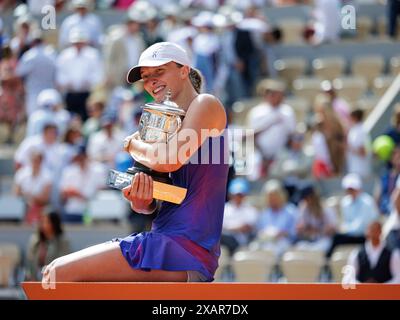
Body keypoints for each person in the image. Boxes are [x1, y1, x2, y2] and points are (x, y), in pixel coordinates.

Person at [42, 42, 228, 283]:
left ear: (184, 70)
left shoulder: (206, 103)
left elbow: (169, 161)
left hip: (184, 249)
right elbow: (155, 201)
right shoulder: (161, 122)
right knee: (54, 273)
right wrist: (142, 200)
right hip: (166, 242)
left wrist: (132, 144)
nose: (151, 81)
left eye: (159, 72)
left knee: (58, 274)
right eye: (146, 77)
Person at [326, 173, 379, 257]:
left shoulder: (367, 202)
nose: (351, 191)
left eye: (353, 189)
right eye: (349, 189)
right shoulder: (345, 202)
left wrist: (344, 229)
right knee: (335, 238)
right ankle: (327, 264)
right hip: (353, 235)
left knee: (337, 237)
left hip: (365, 237)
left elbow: (361, 226)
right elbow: (347, 222)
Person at [26, 210, 71, 281]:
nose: (43, 225)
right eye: (42, 221)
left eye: (47, 222)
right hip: (35, 279)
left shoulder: (63, 241)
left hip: (56, 280)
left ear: (54, 223)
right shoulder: (35, 240)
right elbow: (30, 261)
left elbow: (64, 261)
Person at [221, 178, 258, 256]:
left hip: (240, 242)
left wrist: (228, 228)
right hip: (224, 242)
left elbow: (247, 227)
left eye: (240, 195)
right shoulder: (224, 208)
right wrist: (235, 228)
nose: (237, 197)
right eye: (235, 195)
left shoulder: (251, 210)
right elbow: (218, 227)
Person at [294, 184, 337, 252]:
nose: (305, 201)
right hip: (309, 241)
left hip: (324, 240)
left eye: (306, 198)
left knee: (319, 249)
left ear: (312, 197)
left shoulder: (326, 209)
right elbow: (300, 229)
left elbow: (332, 230)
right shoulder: (304, 208)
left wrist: (317, 230)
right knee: (299, 247)